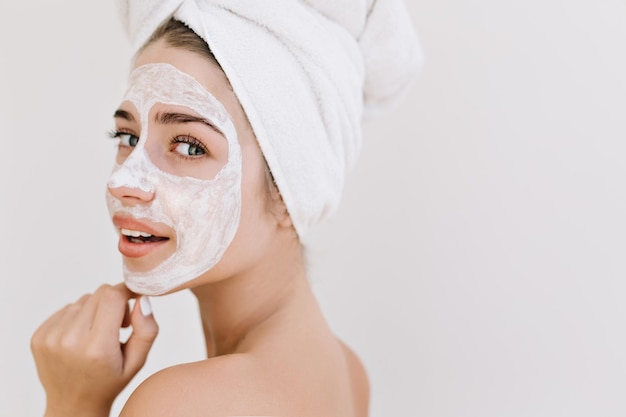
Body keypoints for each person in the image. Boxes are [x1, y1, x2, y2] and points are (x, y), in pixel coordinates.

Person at [30, 1, 422, 416]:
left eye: (188, 146)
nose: (123, 181)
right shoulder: (346, 370)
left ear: (293, 189)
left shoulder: (183, 405)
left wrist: (74, 400)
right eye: (127, 137)